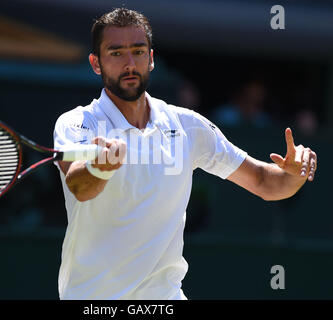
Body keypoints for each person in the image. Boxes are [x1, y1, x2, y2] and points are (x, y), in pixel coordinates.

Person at [53, 8, 317, 300]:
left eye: (138, 51)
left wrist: (296, 173)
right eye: (116, 53)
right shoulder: (78, 123)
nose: (130, 63)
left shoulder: (187, 126)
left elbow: (266, 183)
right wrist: (103, 166)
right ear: (96, 63)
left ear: (151, 59)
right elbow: (79, 185)